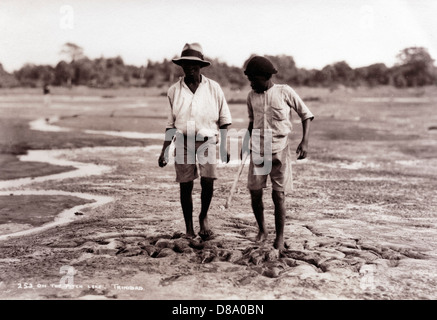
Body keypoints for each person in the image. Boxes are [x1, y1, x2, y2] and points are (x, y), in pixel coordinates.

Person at [158, 43, 232, 240]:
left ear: (201, 67)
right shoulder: (174, 90)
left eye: (194, 65)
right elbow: (170, 123)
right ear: (181, 67)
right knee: (185, 184)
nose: (190, 69)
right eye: (186, 65)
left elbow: (224, 119)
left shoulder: (214, 88)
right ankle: (189, 228)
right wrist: (164, 150)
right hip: (182, 140)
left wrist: (224, 146)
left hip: (207, 140)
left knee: (208, 180)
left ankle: (204, 216)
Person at [242, 56, 314, 251]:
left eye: (254, 79)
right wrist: (246, 143)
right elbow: (252, 121)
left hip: (279, 149)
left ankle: (280, 238)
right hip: (258, 149)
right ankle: (262, 230)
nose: (251, 83)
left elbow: (306, 115)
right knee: (255, 193)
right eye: (249, 79)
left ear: (266, 77)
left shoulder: (284, 92)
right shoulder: (251, 96)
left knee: (278, 195)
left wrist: (304, 142)